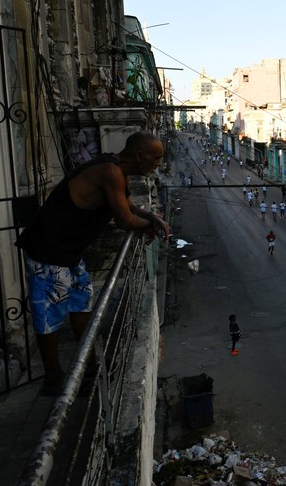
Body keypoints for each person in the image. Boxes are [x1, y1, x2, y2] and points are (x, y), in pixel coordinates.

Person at [16, 132, 170, 395]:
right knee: (49, 316)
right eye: (155, 158)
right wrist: (152, 225)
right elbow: (124, 220)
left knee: (81, 304)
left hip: (70, 252)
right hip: (48, 250)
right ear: (139, 155)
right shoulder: (108, 171)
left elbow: (130, 205)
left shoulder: (117, 170)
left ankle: (90, 363)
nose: (158, 163)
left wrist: (152, 218)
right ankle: (53, 378)